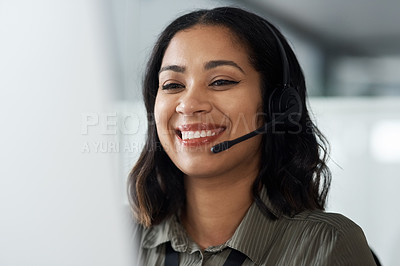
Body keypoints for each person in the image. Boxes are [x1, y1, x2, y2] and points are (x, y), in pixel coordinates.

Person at [128, 6, 377, 266]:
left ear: (277, 106)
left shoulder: (325, 245)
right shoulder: (117, 235)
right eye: (173, 85)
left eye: (221, 81)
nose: (188, 105)